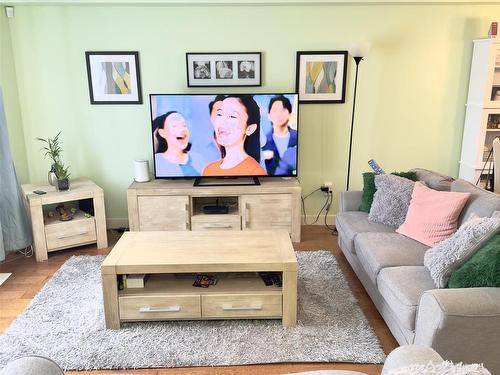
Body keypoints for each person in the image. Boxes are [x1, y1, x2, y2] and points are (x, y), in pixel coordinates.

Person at [202, 95, 267, 176]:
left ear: (249, 129)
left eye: (232, 116)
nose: (222, 121)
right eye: (219, 114)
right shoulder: (208, 169)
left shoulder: (256, 172)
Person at [154, 111, 205, 177]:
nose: (182, 130)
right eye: (174, 126)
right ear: (162, 133)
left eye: (184, 125)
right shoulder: (157, 161)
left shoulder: (198, 158)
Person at [262, 95, 298, 175]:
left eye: (283, 110)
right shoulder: (262, 142)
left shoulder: (298, 137)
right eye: (275, 110)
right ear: (269, 116)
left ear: (290, 114)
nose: (279, 114)